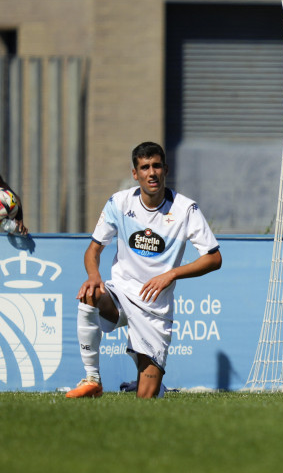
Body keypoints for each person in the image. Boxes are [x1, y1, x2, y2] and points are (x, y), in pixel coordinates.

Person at [66, 141, 222, 399]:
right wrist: (94, 276)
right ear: (135, 173)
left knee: (146, 398)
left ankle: (151, 384)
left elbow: (214, 258)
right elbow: (93, 250)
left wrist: (171, 274)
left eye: (157, 166)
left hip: (155, 308)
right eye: (145, 167)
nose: (152, 173)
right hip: (121, 293)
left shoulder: (186, 209)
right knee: (89, 294)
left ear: (166, 170)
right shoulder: (119, 202)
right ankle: (92, 379)